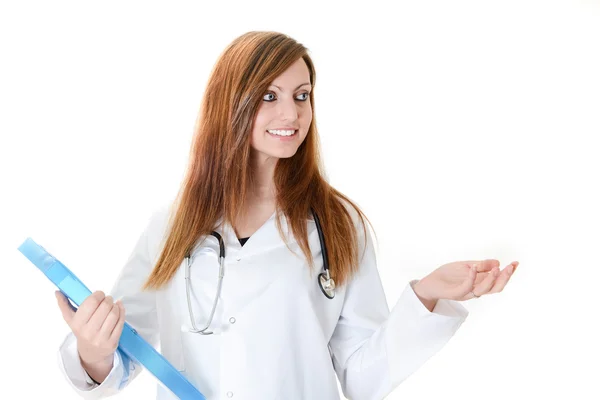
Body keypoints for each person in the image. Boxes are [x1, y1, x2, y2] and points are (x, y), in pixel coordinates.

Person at [54, 31, 519, 400]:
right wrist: (94, 352)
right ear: (229, 105)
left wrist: (427, 295)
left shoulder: (337, 224)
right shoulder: (173, 224)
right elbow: (122, 352)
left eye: (302, 95)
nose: (293, 113)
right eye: (269, 96)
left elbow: (362, 378)